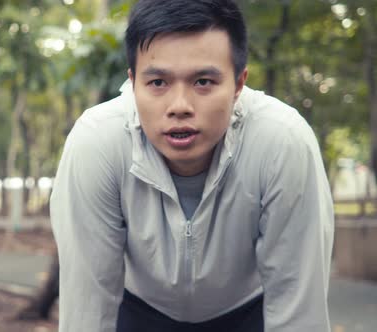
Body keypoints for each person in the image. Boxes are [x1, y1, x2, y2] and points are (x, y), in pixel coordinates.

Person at [50, 0, 334, 331]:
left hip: (247, 312)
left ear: (239, 84)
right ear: (132, 82)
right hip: (140, 310)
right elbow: (87, 309)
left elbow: (298, 311)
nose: (179, 106)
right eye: (158, 83)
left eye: (203, 82)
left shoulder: (283, 142)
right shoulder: (97, 143)